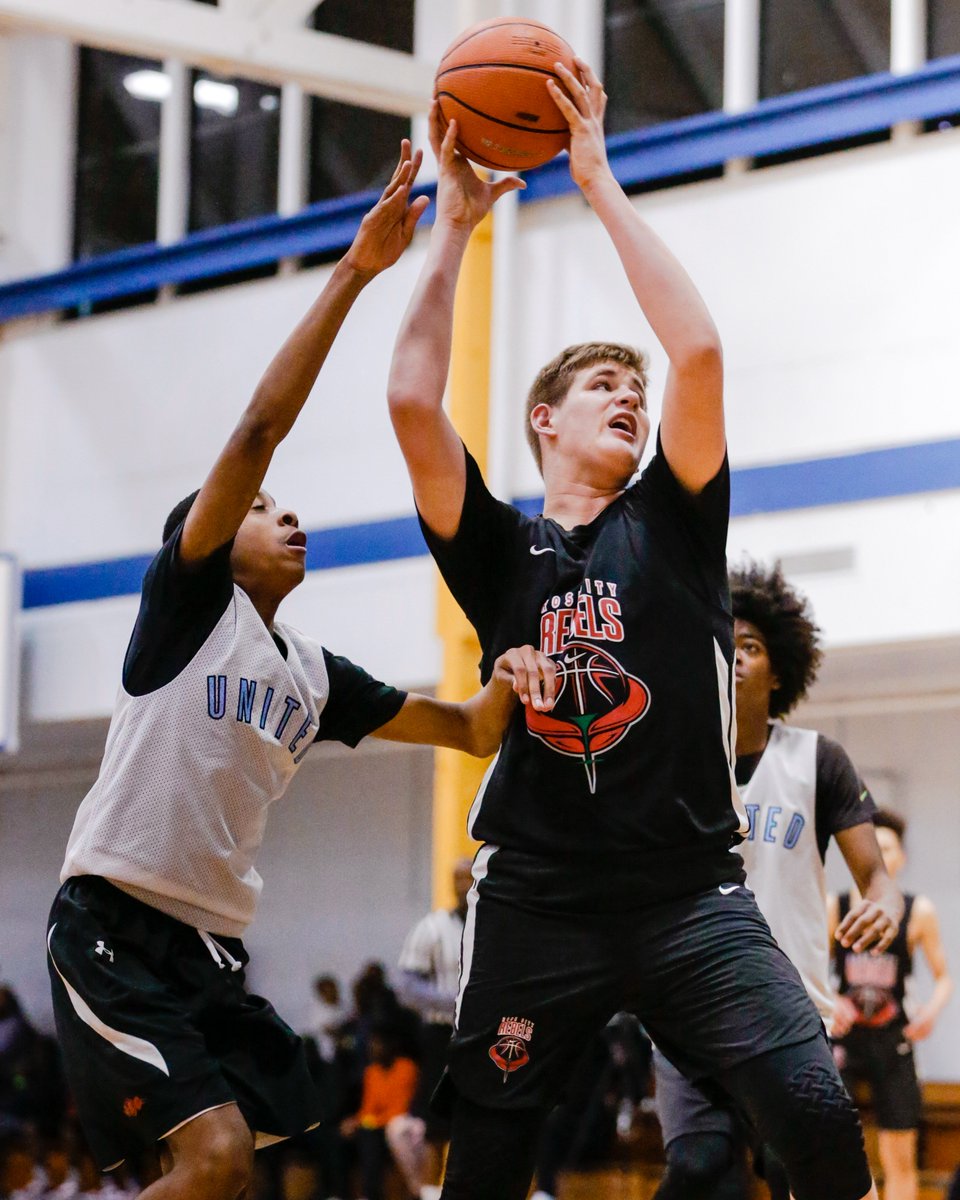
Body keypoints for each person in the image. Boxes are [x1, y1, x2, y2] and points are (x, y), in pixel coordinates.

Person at [386, 55, 883, 1200]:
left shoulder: (673, 520)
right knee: (490, 1165)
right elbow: (415, 400)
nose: (633, 393)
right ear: (542, 420)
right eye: (606, 382)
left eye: (635, 387)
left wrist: (598, 181)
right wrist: (454, 226)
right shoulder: (498, 549)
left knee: (812, 1118)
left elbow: (699, 350)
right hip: (537, 893)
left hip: (685, 890)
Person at [45, 143, 557, 1200]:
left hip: (213, 949)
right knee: (219, 1160)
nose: (291, 514)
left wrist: (533, 641)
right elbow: (261, 428)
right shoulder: (188, 604)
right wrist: (358, 272)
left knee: (246, 1172)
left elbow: (467, 729)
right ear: (209, 532)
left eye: (288, 505)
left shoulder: (315, 675)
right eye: (264, 508)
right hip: (112, 922)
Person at [652, 560, 903, 1200]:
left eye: (751, 647)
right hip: (689, 1013)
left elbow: (876, 877)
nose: (733, 658)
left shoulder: (817, 761)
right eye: (721, 647)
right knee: (700, 1170)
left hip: (789, 1010)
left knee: (803, 1170)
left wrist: (885, 906)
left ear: (780, 672)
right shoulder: (668, 765)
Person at [830, 808, 954, 1200]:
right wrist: (830, 1001)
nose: (881, 856)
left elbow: (944, 978)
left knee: (898, 1155)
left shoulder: (919, 911)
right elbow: (804, 965)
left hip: (893, 1039)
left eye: (888, 848)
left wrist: (929, 1014)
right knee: (829, 1149)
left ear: (900, 858)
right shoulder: (838, 903)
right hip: (844, 1042)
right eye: (874, 848)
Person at [389, 858, 475, 1200]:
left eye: (469, 877)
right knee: (434, 1118)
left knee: (475, 1117)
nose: (463, 884)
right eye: (457, 878)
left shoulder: (493, 926)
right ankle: (428, 1191)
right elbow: (406, 985)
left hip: (481, 1035)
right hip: (441, 1034)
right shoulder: (433, 927)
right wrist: (453, 1000)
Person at [339, 1028, 418, 1200]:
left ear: (390, 1046)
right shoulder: (371, 1072)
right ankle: (342, 1192)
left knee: (372, 1137)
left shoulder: (405, 1067)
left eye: (377, 1043)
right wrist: (355, 1121)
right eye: (371, 1044)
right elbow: (368, 1108)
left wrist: (370, 1122)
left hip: (402, 1124)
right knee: (346, 1135)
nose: (373, 1048)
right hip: (377, 1126)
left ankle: (372, 1193)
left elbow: (400, 1108)